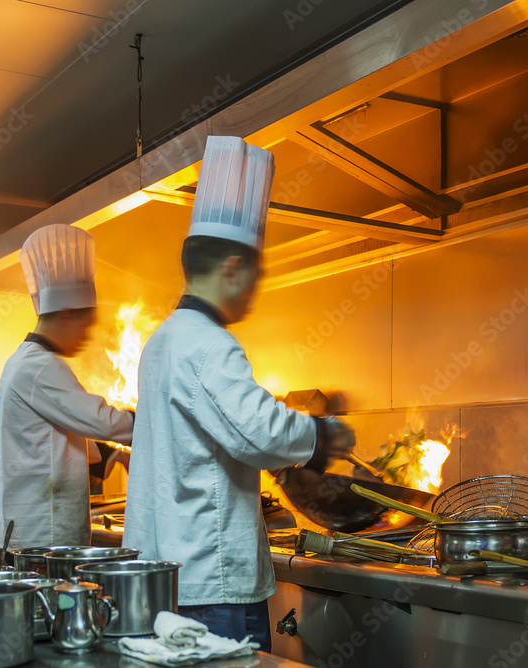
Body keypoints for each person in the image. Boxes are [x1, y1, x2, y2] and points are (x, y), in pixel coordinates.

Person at [122, 136, 356, 651]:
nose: (255, 290)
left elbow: (219, 435)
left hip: (169, 575)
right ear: (232, 268)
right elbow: (259, 431)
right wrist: (324, 434)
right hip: (213, 582)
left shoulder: (161, 341)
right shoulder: (209, 343)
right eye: (255, 275)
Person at [0, 224, 135, 552]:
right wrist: (150, 421)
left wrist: (115, 455)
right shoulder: (40, 366)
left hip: (34, 533)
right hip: (43, 537)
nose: (86, 338)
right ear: (66, 314)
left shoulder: (25, 361)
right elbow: (100, 421)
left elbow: (62, 440)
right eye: (85, 326)